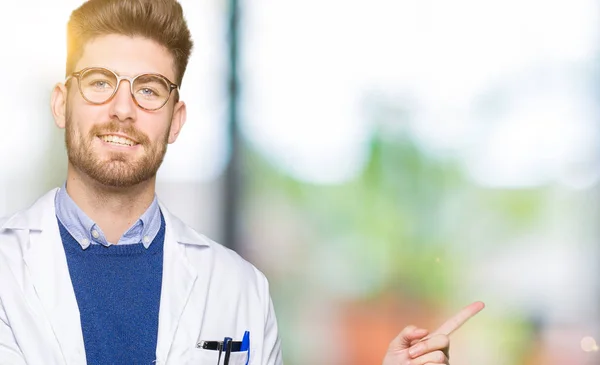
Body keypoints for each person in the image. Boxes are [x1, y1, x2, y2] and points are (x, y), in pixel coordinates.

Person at [0, 0, 483, 364]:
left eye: (148, 90)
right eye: (101, 82)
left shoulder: (240, 288)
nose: (123, 109)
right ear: (62, 102)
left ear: (176, 120)